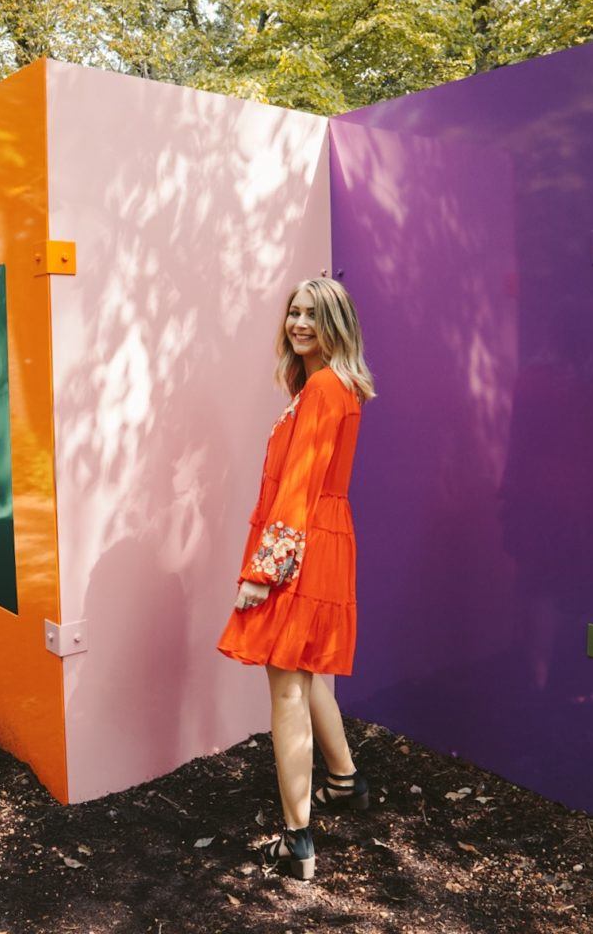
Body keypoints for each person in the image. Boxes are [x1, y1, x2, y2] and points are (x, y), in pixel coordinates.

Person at [216, 276, 376, 881]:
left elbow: (299, 483)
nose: (299, 323)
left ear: (336, 323)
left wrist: (263, 570)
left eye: (313, 314)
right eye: (294, 312)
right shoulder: (338, 386)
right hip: (326, 538)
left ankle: (297, 839)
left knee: (285, 687)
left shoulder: (321, 390)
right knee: (308, 677)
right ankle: (345, 782)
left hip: (300, 542)